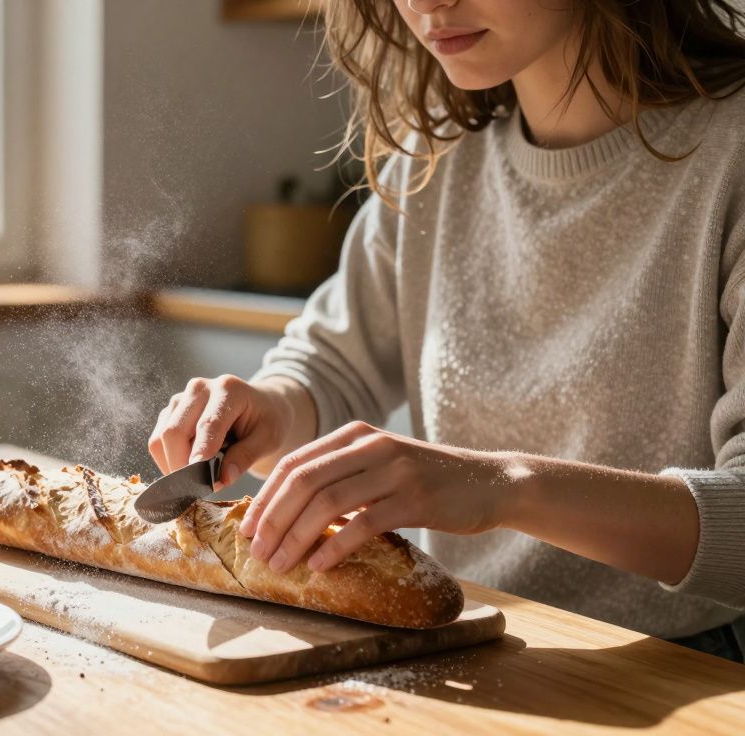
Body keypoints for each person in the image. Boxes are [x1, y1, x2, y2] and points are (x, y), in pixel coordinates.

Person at [149, 0, 745, 661]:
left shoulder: (734, 153)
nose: (427, 4)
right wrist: (272, 407)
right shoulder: (436, 160)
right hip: (466, 642)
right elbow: (330, 367)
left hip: (692, 669)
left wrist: (504, 488)